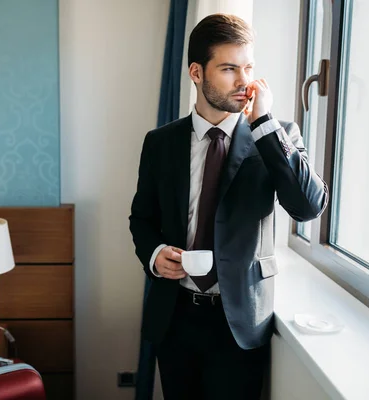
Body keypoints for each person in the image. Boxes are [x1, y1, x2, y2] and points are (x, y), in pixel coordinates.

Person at [129, 13, 329, 399]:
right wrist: (154, 254)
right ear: (196, 73)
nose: (243, 81)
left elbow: (308, 206)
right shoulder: (160, 143)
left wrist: (265, 125)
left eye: (249, 67)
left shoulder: (276, 136)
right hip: (175, 317)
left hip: (240, 321)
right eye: (228, 69)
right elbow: (142, 218)